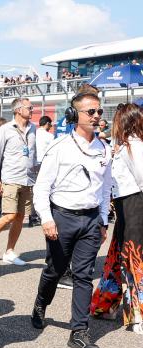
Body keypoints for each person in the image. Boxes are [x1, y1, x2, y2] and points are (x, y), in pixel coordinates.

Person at [31, 91, 112, 348]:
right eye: (91, 112)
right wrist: (46, 218)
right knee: (54, 270)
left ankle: (78, 332)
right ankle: (41, 303)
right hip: (62, 218)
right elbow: (41, 188)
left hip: (91, 220)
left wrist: (103, 221)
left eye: (99, 111)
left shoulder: (104, 149)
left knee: (83, 275)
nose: (97, 116)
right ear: (74, 115)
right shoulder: (59, 147)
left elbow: (105, 189)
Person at [90, 103, 143, 334]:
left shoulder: (125, 145)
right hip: (133, 205)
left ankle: (109, 306)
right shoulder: (132, 144)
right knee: (130, 258)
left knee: (123, 256)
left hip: (127, 205)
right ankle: (134, 314)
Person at [0, 97, 38, 266]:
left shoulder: (33, 128)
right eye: (29, 107)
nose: (32, 110)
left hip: (28, 179)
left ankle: (9, 252)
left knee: (20, 217)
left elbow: (33, 154)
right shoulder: (5, 129)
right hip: (11, 178)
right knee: (10, 215)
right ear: (18, 110)